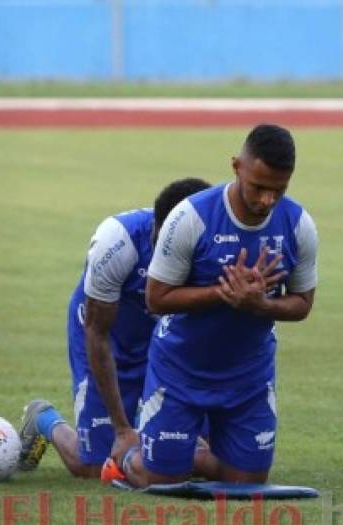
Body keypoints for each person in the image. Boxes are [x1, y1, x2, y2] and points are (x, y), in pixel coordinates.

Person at [116, 124, 318, 487]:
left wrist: (260, 304)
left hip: (249, 375)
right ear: (237, 166)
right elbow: (156, 299)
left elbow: (303, 304)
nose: (267, 200)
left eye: (279, 189)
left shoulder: (299, 225)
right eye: (259, 187)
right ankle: (131, 456)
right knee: (162, 482)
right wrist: (225, 294)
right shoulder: (190, 217)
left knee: (247, 486)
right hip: (180, 371)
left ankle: (189, 454)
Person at [17, 177, 211, 478]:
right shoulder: (118, 241)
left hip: (163, 337)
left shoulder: (210, 246)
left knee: (201, 452)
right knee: (95, 465)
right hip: (106, 334)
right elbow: (96, 332)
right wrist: (121, 430)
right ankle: (43, 419)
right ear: (156, 227)